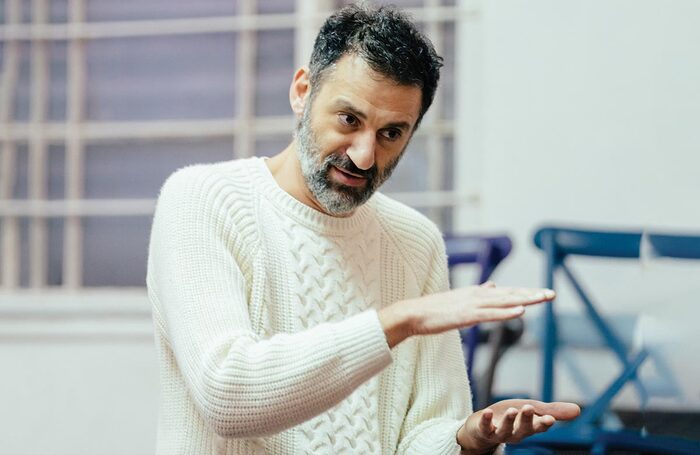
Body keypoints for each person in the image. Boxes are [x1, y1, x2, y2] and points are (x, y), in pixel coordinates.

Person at [147, 3, 579, 454]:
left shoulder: (415, 242)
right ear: (302, 91)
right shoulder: (203, 200)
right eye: (349, 120)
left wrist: (467, 439)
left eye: (391, 133)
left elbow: (419, 437)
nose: (364, 156)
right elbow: (227, 395)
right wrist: (399, 322)